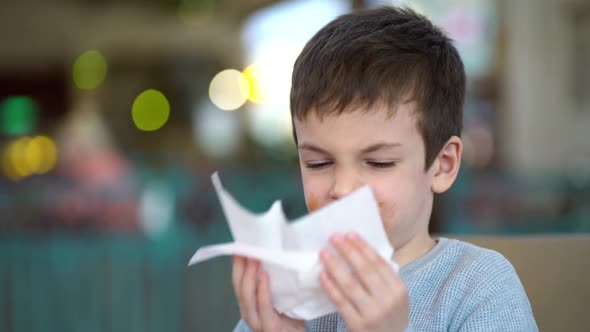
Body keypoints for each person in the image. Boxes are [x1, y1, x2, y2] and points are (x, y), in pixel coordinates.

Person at [232, 6, 537, 332]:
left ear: (442, 166)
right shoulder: (288, 296)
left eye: (379, 163)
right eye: (319, 163)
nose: (343, 188)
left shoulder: (478, 286)